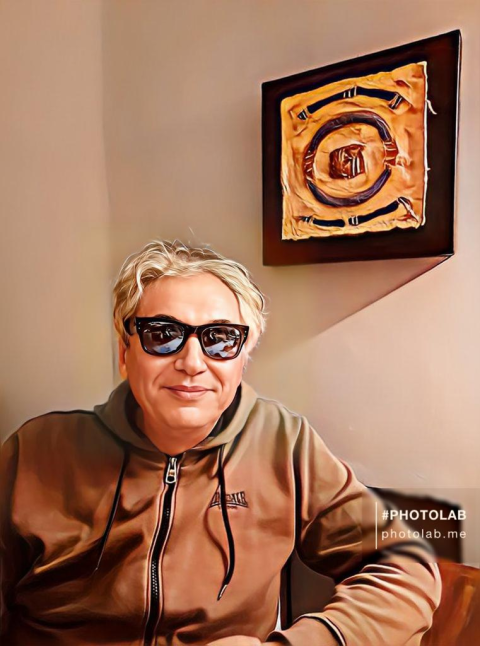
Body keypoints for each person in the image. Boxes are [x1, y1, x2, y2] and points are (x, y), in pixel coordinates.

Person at [0, 239, 441, 646]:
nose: (192, 362)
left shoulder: (283, 445)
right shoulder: (37, 451)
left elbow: (405, 566)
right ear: (125, 353)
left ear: (242, 360)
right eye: (162, 334)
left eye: (220, 339)